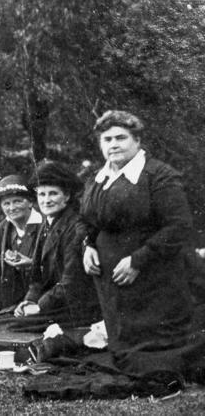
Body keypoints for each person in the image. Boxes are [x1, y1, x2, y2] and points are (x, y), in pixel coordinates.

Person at [80, 110, 205, 379]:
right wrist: (88, 245)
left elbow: (179, 225)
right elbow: (87, 220)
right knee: (123, 345)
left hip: (154, 277)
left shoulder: (158, 175)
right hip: (111, 281)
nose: (113, 144)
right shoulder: (97, 178)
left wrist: (139, 260)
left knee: (154, 355)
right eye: (107, 139)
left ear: (137, 140)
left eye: (120, 138)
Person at [12, 160, 101, 327]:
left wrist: (39, 306)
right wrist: (29, 301)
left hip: (75, 309)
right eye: (41, 194)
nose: (46, 200)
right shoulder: (46, 224)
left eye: (53, 193)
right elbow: (36, 277)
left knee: (9, 326)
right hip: (54, 303)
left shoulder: (75, 227)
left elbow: (72, 281)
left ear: (66, 196)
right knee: (0, 320)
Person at [0, 175, 42, 313]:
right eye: (6, 203)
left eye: (17, 201)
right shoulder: (3, 229)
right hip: (11, 303)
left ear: (30, 202)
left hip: (39, 302)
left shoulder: (43, 225)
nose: (12, 208)